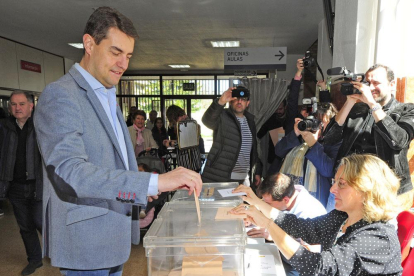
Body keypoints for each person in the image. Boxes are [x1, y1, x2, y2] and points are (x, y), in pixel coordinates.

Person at [34, 7, 202, 275]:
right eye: (115, 52)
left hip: (114, 234)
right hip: (86, 242)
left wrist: (141, 186)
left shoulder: (107, 94)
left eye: (128, 55)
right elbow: (69, 173)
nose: (123, 64)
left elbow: (112, 162)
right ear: (89, 43)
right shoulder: (61, 95)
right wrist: (154, 181)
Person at [231, 154, 403, 276]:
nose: (332, 189)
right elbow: (302, 227)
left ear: (366, 190)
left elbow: (319, 267)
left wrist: (268, 224)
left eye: (341, 184)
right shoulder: (342, 216)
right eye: (334, 182)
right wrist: (257, 205)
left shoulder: (378, 238)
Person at [335, 64, 414, 210]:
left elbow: (399, 141)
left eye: (376, 83)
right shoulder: (356, 109)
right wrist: (349, 102)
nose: (370, 88)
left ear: (391, 85)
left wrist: (372, 104)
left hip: (386, 191)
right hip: (350, 187)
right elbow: (329, 139)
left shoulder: (407, 110)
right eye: (368, 83)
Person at [234, 173, 326, 276]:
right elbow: (273, 210)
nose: (264, 206)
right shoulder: (288, 192)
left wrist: (274, 234)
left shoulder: (310, 212)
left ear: (285, 200)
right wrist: (255, 216)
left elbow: (309, 255)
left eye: (267, 204)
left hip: (299, 268)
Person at [0, 91, 43, 275]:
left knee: (43, 224)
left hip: (38, 186)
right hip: (15, 187)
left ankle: (61, 254)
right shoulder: (4, 127)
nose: (17, 108)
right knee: (25, 227)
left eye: (22, 104)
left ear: (31, 105)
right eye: (14, 104)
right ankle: (34, 260)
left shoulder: (42, 126)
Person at [275, 99, 341, 208]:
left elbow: (328, 170)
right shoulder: (300, 138)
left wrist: (313, 143)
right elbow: (278, 151)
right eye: (314, 120)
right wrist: (296, 132)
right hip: (289, 199)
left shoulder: (334, 143)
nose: (317, 125)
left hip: (314, 203)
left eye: (321, 122)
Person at [201, 87, 261, 187]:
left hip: (243, 178)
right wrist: (220, 101)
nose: (239, 101)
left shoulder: (251, 121)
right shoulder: (222, 116)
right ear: (230, 101)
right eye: (236, 98)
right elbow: (207, 121)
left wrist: (257, 171)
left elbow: (252, 150)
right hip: (220, 176)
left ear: (248, 103)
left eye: (243, 99)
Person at [165, 105, 202, 172]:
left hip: (189, 162)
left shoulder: (187, 123)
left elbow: (187, 142)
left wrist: (171, 143)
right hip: (192, 162)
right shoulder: (189, 121)